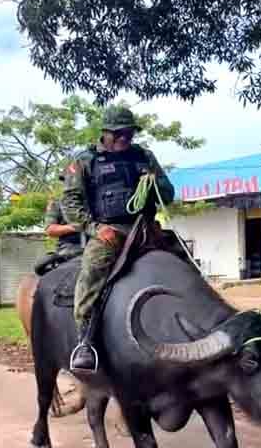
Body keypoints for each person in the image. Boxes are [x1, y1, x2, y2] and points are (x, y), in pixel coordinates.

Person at [61, 104, 175, 375]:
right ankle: (85, 341)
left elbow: (168, 193)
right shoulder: (85, 160)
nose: (125, 138)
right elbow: (70, 201)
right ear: (106, 133)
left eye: (129, 133)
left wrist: (155, 183)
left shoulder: (144, 156)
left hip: (146, 228)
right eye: (120, 133)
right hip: (109, 231)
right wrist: (94, 228)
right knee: (91, 275)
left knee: (184, 262)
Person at [34, 177, 83, 275]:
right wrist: (75, 227)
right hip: (70, 248)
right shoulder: (57, 203)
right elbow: (50, 230)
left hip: (100, 243)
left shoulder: (96, 202)